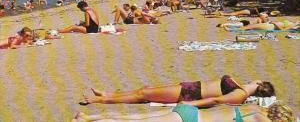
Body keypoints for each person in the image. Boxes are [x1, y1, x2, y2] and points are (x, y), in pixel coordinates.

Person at [82, 75, 275, 107]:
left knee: (144, 95)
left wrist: (191, 104)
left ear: (259, 86)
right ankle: (108, 94)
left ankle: (101, 101)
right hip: (190, 86)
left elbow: (216, 101)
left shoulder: (241, 94)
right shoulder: (242, 86)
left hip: (190, 94)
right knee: (145, 90)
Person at [72, 102, 295, 122]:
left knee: (135, 117)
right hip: (189, 119)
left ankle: (88, 117)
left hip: (188, 110)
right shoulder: (260, 118)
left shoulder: (255, 108)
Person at [224, 20, 300, 31]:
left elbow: (283, 30)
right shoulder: (297, 22)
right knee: (250, 26)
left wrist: (275, 23)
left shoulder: (296, 25)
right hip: (270, 24)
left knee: (250, 27)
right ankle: (232, 28)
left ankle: (231, 29)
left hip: (271, 26)